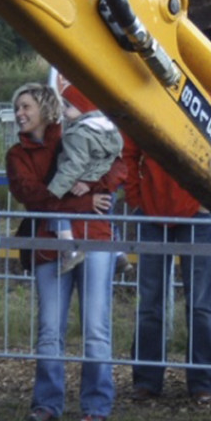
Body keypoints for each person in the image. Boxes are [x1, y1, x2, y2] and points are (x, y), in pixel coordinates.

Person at [6, 82, 126, 421]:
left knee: (95, 327)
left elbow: (115, 169)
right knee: (49, 329)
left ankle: (96, 404)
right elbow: (34, 197)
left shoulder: (76, 134)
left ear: (45, 109)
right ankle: (48, 401)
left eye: (26, 106)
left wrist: (93, 189)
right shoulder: (18, 155)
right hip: (51, 243)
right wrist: (86, 202)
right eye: (17, 108)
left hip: (92, 238)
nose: (20, 114)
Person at [122, 132, 211, 405]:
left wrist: (208, 196)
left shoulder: (204, 96)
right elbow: (129, 150)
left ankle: (203, 382)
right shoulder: (144, 100)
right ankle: (147, 380)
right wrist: (136, 199)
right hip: (154, 209)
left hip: (195, 211)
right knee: (151, 300)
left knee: (199, 302)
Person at [48, 75, 124, 274]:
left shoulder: (76, 134)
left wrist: (56, 189)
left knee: (56, 210)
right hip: (106, 190)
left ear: (82, 107)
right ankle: (118, 252)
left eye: (68, 106)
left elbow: (74, 164)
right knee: (106, 213)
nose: (63, 111)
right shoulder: (109, 130)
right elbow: (115, 158)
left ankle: (70, 249)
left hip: (82, 186)